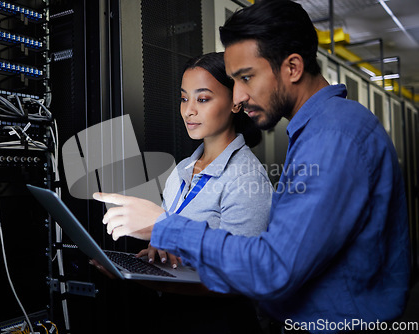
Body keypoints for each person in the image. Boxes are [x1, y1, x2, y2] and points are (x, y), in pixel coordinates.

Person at [94, 0, 410, 333]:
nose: (239, 96)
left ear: (292, 68)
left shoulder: (333, 135)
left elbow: (273, 268)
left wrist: (165, 226)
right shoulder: (319, 130)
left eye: (246, 78)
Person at [137, 52, 273, 334]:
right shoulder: (183, 169)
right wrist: (155, 256)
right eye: (184, 98)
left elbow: (240, 278)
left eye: (203, 99)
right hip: (173, 315)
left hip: (221, 322)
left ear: (235, 103)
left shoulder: (247, 177)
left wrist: (149, 280)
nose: (188, 110)